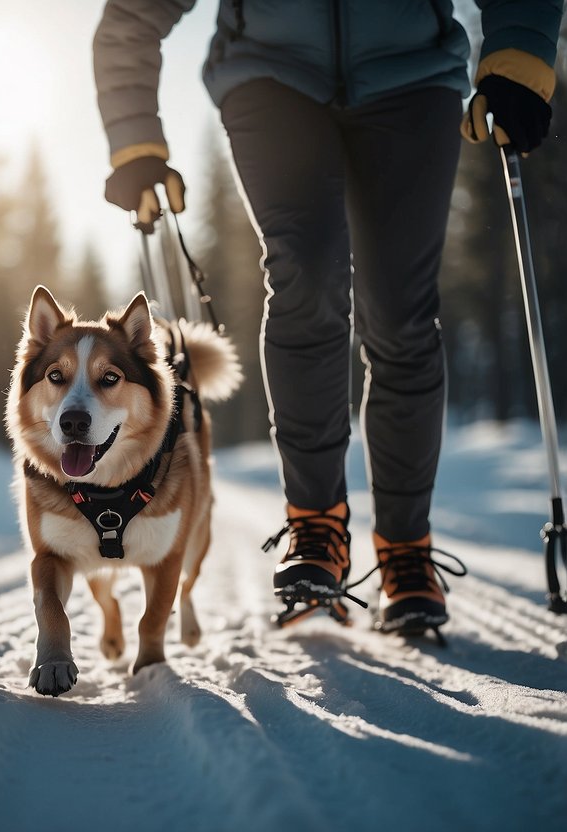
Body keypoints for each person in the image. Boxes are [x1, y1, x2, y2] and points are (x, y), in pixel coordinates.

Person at [94, 0, 562, 639]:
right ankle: (316, 528)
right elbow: (133, 12)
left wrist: (519, 59)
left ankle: (405, 551)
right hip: (270, 76)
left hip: (414, 75)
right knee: (306, 279)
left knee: (401, 312)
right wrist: (133, 138)